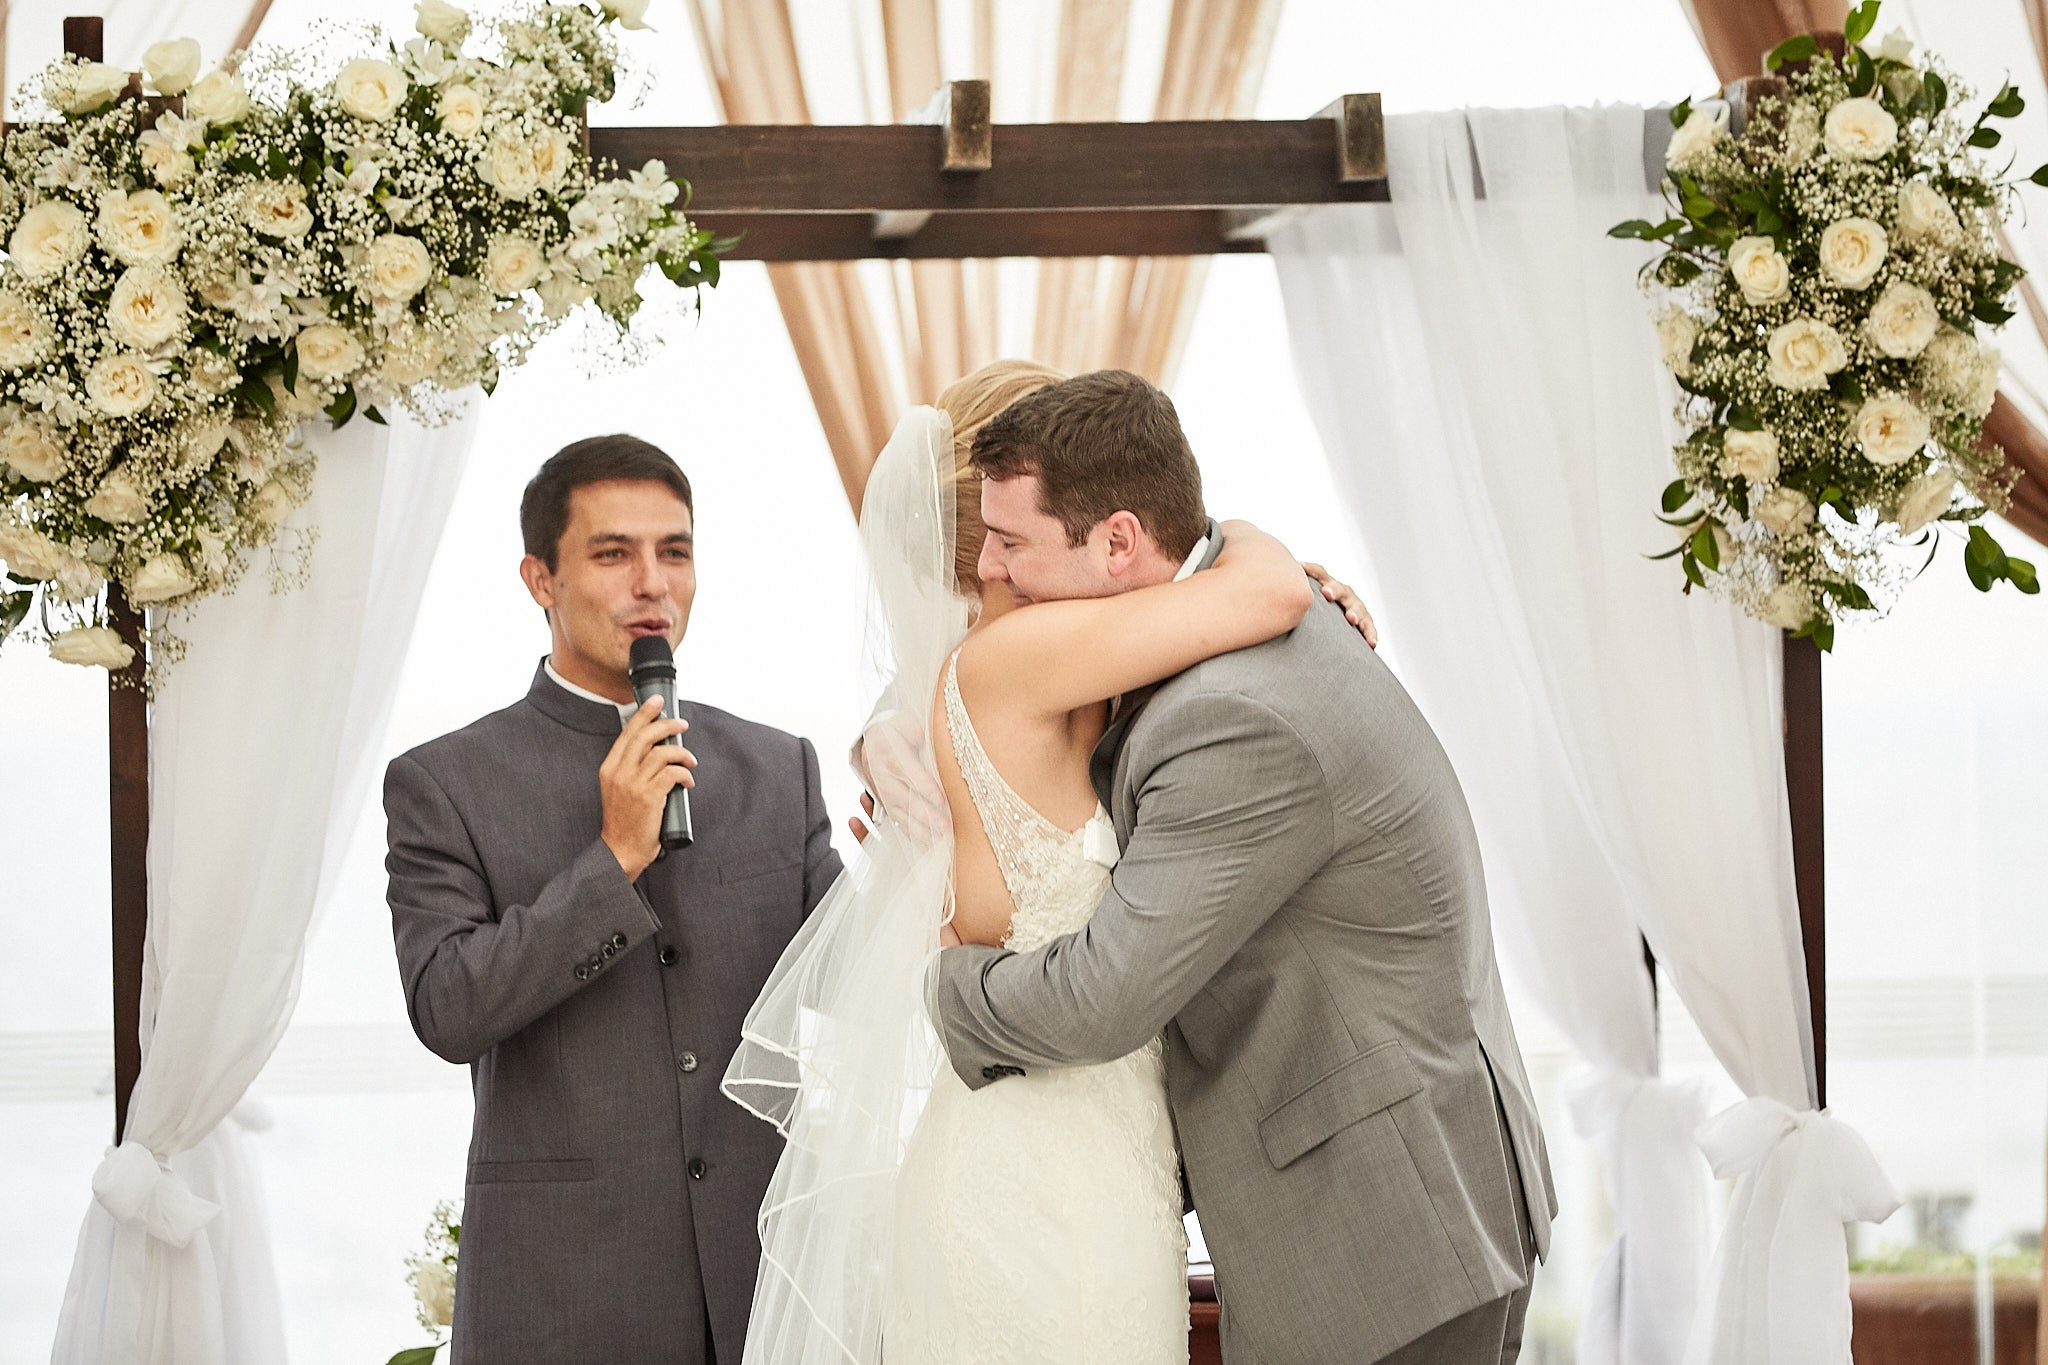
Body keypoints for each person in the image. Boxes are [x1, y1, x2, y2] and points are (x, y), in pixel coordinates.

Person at [722, 360, 1378, 1365]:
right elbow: (1262, 592)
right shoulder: (1021, 669)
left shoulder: (1065, 684)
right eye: (1012, 532)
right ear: (988, 558)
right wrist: (1251, 544)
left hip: (1095, 1168)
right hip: (1037, 1181)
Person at [927, 369, 1558, 1365]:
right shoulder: (1238, 619)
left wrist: (951, 986)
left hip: (1381, 1235)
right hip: (1393, 1190)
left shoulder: (1231, 716)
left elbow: (1101, 996)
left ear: (1119, 541)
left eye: (1011, 543)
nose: (992, 571)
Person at [383, 434, 842, 1365]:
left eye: (674, 551)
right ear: (539, 579)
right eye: (612, 553)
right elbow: (447, 1009)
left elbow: (846, 981)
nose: (651, 583)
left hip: (772, 1295)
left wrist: (928, 853)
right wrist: (614, 856)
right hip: (565, 1302)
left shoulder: (777, 768)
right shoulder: (445, 781)